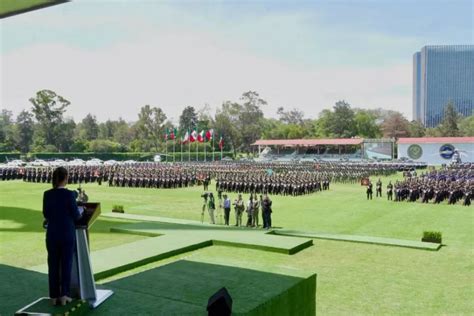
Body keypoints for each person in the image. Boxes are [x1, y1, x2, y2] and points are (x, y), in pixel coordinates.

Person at [43, 167, 82, 306]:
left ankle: (53, 296)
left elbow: (46, 214)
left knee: (52, 265)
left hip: (52, 234)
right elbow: (76, 215)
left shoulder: (47, 194)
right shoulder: (69, 194)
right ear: (65, 178)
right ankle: (65, 295)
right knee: (66, 264)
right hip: (66, 234)